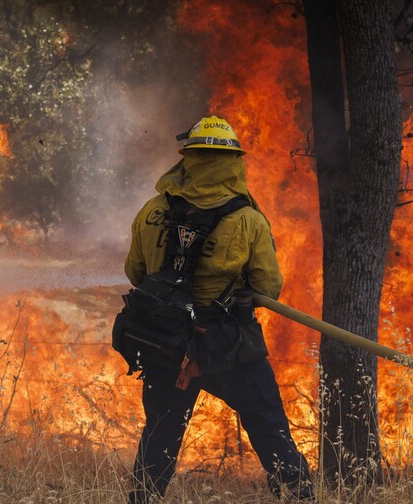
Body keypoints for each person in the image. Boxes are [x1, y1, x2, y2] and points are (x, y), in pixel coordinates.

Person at [124, 116, 314, 502]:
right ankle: (298, 496)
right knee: (268, 427)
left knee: (160, 432)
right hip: (226, 344)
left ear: (188, 160)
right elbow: (268, 287)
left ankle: (142, 498)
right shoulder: (247, 221)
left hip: (164, 342)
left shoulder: (151, 211)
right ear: (233, 162)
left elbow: (135, 273)